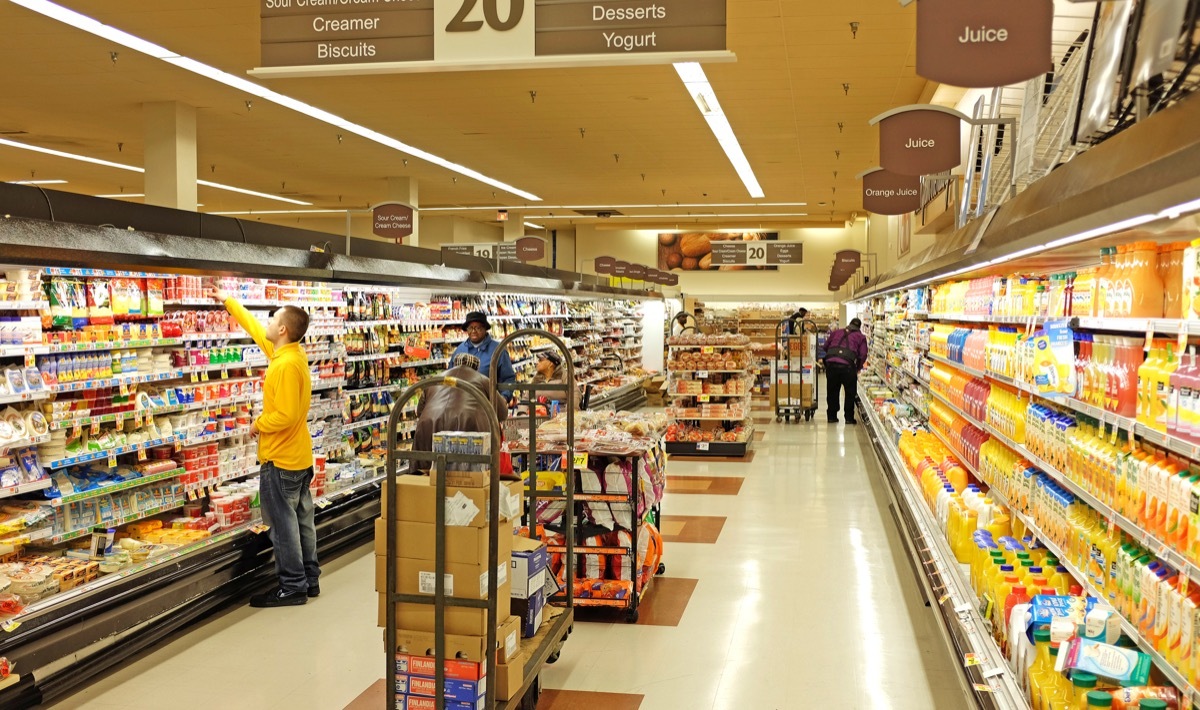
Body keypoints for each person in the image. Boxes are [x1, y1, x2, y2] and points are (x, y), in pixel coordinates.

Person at [216, 290, 319, 607]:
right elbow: (256, 330)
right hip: (299, 456)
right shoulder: (289, 354)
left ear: (284, 330)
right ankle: (309, 580)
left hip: (282, 459)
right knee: (303, 521)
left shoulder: (284, 367)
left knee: (283, 526)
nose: (267, 323)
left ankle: (291, 586)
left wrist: (258, 423)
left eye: (273, 319)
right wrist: (229, 302)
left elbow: (286, 414)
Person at [413, 353, 509, 466]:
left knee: (427, 475)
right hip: (468, 429)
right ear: (476, 368)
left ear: (454, 364)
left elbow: (420, 411)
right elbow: (502, 413)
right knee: (466, 475)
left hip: (428, 426)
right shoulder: (484, 380)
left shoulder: (435, 380)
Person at [824, 317, 868, 425]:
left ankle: (831, 416)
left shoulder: (837, 332)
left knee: (832, 391)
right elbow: (863, 354)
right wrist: (858, 367)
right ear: (859, 327)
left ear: (849, 324)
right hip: (848, 366)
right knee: (850, 392)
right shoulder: (861, 337)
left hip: (831, 364)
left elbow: (825, 347)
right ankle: (848, 418)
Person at [452, 311, 516, 385]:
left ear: (485, 329)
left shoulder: (498, 350)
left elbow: (508, 379)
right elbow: (450, 376)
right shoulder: (460, 350)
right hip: (463, 396)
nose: (473, 331)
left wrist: (502, 396)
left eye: (478, 328)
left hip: (487, 396)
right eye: (470, 328)